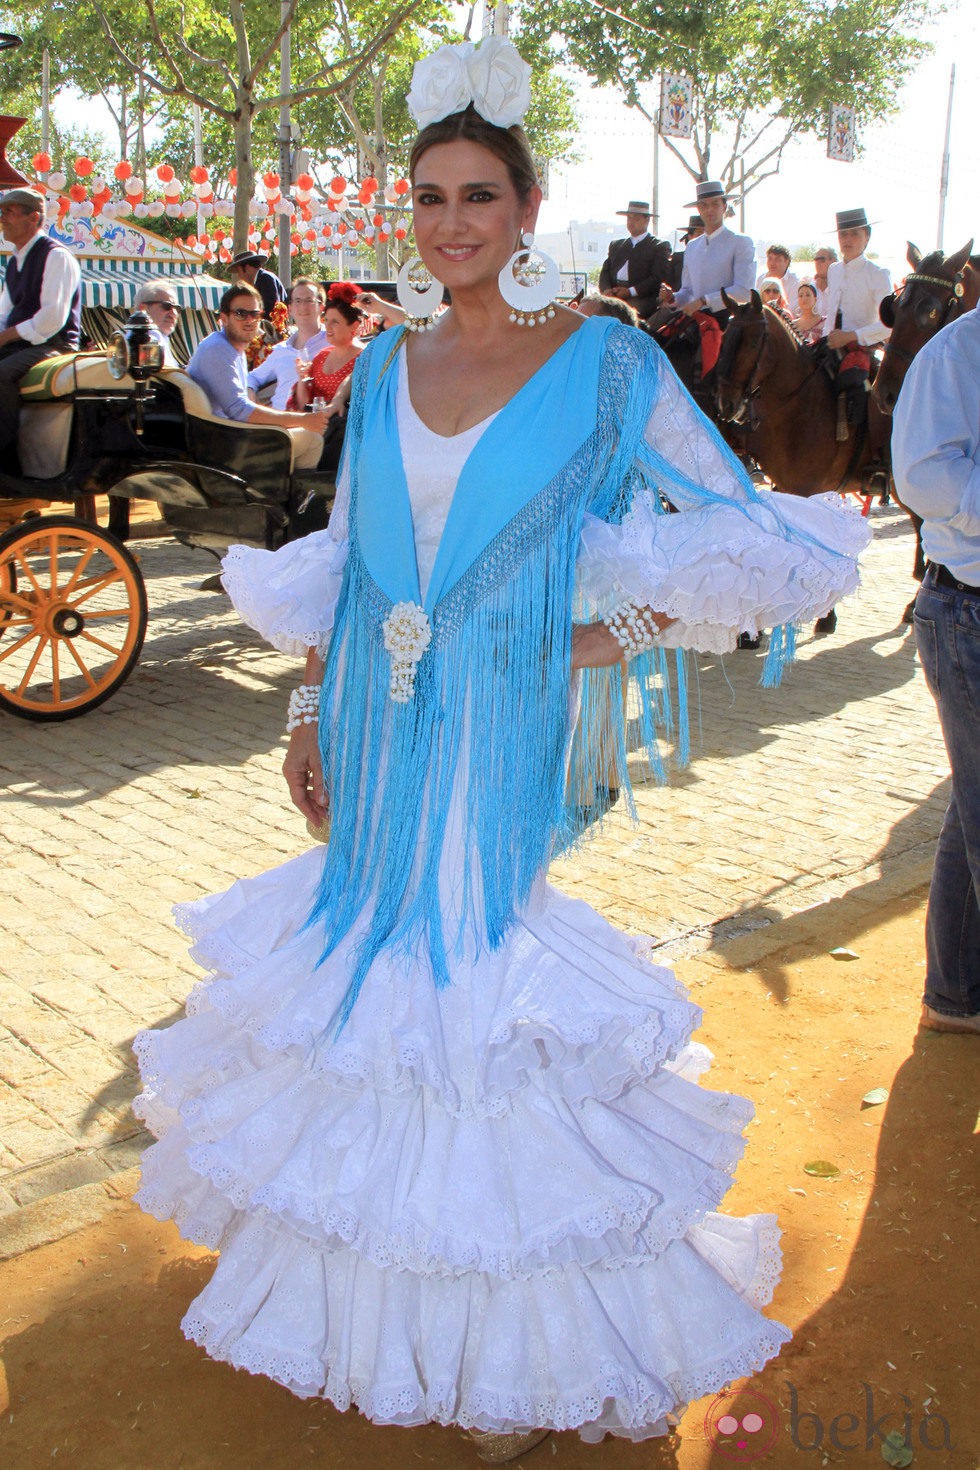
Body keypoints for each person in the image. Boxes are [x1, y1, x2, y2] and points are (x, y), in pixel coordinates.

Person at [133, 36, 869, 1464]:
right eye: (428, 197)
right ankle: (375, 1317)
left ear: (530, 209)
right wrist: (302, 709)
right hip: (373, 715)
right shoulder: (393, 356)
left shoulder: (602, 361)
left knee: (470, 1000)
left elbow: (737, 528)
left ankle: (524, 1338)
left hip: (494, 726)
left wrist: (595, 640)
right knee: (376, 988)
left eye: (479, 195)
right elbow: (350, 558)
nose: (452, 222)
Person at [891, 305, 980, 1036]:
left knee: (971, 805)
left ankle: (956, 993)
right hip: (970, 610)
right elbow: (922, 476)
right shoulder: (956, 353)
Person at [186, 282, 327, 468]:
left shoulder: (233, 348)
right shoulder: (217, 348)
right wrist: (301, 420)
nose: (249, 320)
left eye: (255, 314)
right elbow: (240, 411)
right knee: (312, 439)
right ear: (224, 318)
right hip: (225, 444)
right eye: (240, 313)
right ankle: (288, 497)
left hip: (225, 436)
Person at [0, 186, 81, 459]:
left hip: (55, 345)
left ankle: (8, 465)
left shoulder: (56, 256)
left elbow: (51, 319)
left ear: (34, 218)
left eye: (9, 212)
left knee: (1, 375)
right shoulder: (13, 264)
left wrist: (7, 336)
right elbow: (4, 315)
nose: (2, 219)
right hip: (23, 346)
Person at [820, 208, 891, 428]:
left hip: (863, 348)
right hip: (828, 345)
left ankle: (870, 454)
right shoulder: (833, 270)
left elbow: (888, 326)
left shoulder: (878, 273)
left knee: (858, 390)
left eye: (854, 234)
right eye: (843, 234)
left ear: (866, 236)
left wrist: (851, 336)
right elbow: (832, 313)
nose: (847, 239)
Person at [659, 179, 755, 327]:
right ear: (698, 209)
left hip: (729, 321)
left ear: (724, 206)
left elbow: (743, 292)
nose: (709, 209)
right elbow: (688, 291)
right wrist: (673, 298)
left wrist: (705, 300)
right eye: (704, 205)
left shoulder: (741, 242)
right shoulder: (692, 246)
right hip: (697, 320)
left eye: (715, 204)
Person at [246, 276, 328, 410]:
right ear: (290, 309)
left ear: (321, 307)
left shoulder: (333, 342)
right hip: (277, 423)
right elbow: (253, 377)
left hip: (314, 422)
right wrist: (249, 391)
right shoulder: (281, 350)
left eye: (309, 300)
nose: (303, 306)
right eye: (298, 301)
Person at [292, 281, 365, 412]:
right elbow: (303, 404)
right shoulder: (322, 355)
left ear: (353, 326)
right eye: (326, 320)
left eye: (335, 322)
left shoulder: (364, 357)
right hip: (316, 424)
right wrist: (302, 378)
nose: (328, 327)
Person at [598, 200, 671, 320]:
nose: (631, 223)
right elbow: (605, 271)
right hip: (614, 294)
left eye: (636, 219)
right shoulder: (616, 245)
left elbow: (657, 277)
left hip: (641, 298)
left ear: (647, 220)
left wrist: (630, 291)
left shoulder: (658, 246)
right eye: (629, 218)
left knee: (627, 314)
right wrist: (607, 290)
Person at [133, 279, 183, 367]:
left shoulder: (161, 337)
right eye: (167, 306)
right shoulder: (150, 337)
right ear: (143, 309)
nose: (173, 313)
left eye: (177, 308)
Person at [229, 249, 288, 319]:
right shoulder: (261, 279)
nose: (239, 276)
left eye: (239, 271)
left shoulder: (266, 279)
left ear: (247, 268)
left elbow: (270, 310)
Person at [756, 244, 799, 314]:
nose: (772, 263)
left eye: (777, 259)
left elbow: (793, 309)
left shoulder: (794, 282)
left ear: (786, 262)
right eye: (770, 259)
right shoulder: (761, 279)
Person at [668, 214, 704, 292]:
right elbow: (670, 284)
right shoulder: (678, 258)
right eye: (700, 234)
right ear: (690, 236)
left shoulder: (717, 259)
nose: (703, 238)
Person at [791, 279, 825, 344]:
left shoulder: (824, 322)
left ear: (815, 299)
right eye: (801, 296)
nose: (804, 298)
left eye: (808, 295)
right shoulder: (792, 325)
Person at [811, 246, 837, 318]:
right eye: (816, 260)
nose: (818, 263)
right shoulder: (810, 289)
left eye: (822, 260)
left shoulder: (841, 287)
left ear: (834, 262)